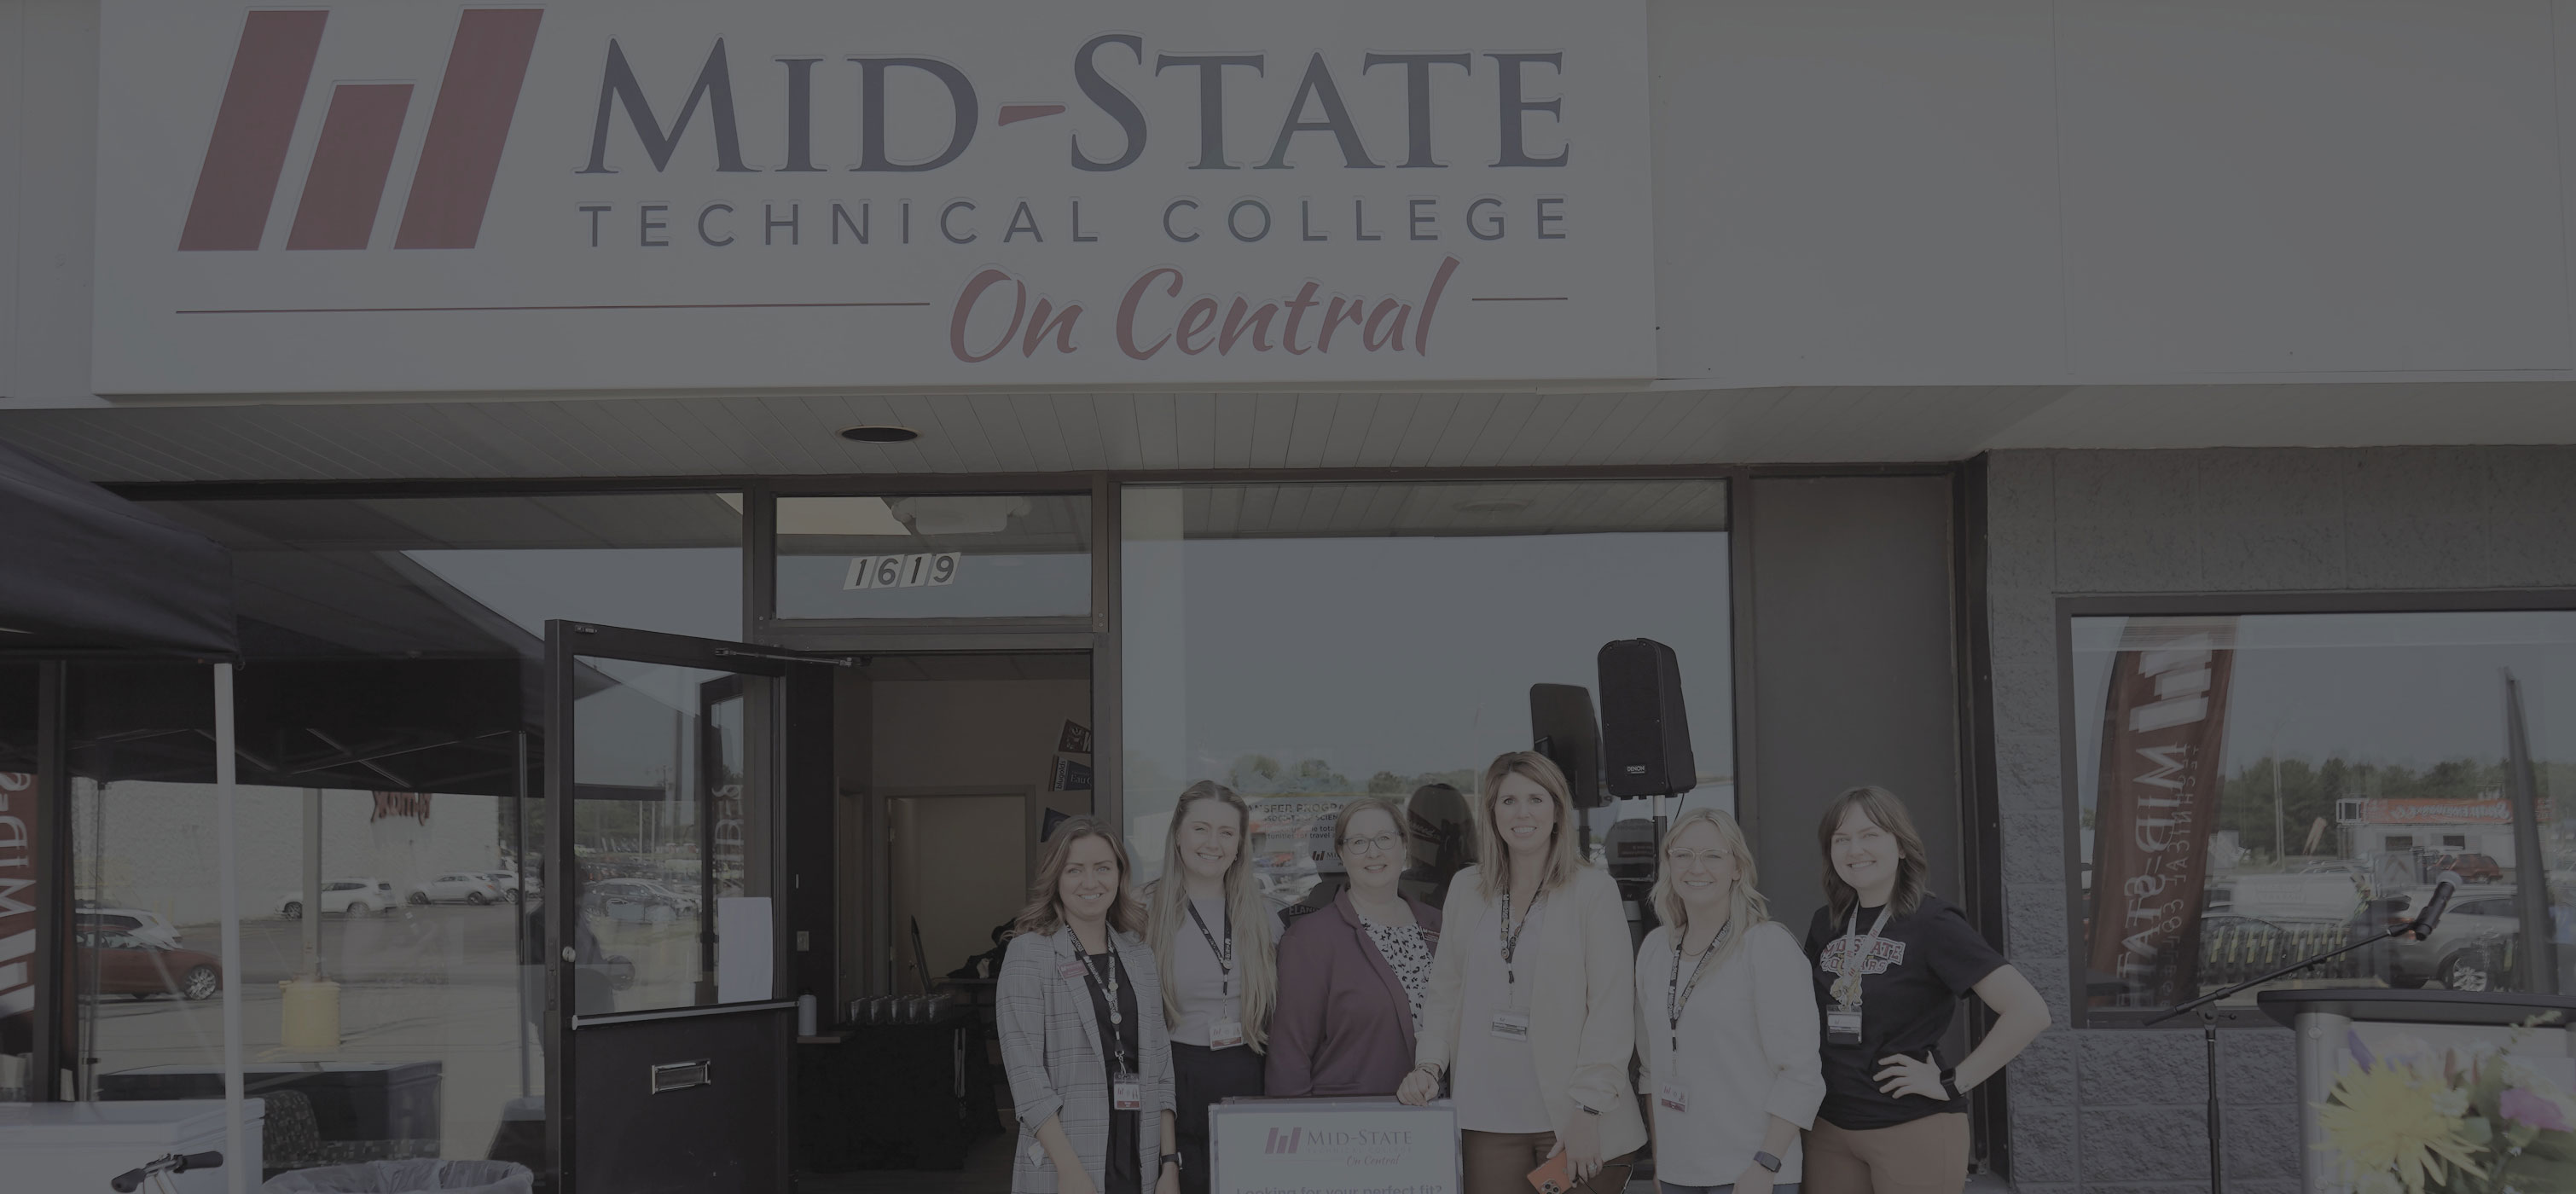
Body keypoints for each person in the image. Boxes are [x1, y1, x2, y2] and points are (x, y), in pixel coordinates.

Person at [1400, 751, 1645, 1194]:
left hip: (1573, 1118)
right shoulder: (1466, 888)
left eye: (1536, 799)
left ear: (1557, 810)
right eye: (1508, 801)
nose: (1522, 813)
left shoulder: (1593, 890)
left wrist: (1589, 1110)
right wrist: (1429, 1065)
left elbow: (1610, 1008)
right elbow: (1445, 992)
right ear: (1491, 812)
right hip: (1488, 1118)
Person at [1801, 787, 2047, 1194]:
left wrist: (1953, 1082)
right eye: (1840, 839)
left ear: (1900, 846)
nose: (1854, 849)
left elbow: (2029, 1011)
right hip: (1829, 1127)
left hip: (1911, 1125)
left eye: (1870, 835)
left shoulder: (1933, 922)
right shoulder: (1824, 923)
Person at [1633, 808, 1822, 1194]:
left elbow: (1801, 1074)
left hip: (1751, 1172)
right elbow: (1653, 1070)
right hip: (1677, 1172)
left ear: (1738, 868)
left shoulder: (1766, 946)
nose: (1695, 867)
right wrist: (1661, 1162)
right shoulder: (1655, 949)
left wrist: (1765, 1165)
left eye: (1713, 856)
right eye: (1682, 854)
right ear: (1668, 864)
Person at [998, 817, 1181, 1194]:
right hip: (1064, 1162)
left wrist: (1169, 1164)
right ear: (1056, 878)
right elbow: (1027, 1078)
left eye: (1103, 868)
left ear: (1119, 874)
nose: (1091, 882)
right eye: (1075, 870)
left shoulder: (1138, 954)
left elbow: (1162, 1069)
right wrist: (1070, 1171)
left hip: (1140, 1158)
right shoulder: (1029, 953)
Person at [1143, 781, 1282, 1194]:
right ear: (1178, 836)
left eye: (1226, 832)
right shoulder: (1140, 913)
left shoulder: (1267, 917)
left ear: (1240, 844)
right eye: (1201, 829)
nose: (1213, 843)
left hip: (1247, 1070)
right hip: (1174, 1076)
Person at [1268, 797, 1446, 1097]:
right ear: (1341, 853)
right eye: (1358, 842)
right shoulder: (1310, 939)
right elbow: (1289, 1055)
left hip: (1437, 1122)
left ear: (1404, 845)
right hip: (1352, 1130)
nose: (1373, 852)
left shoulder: (1440, 927)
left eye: (1384, 839)